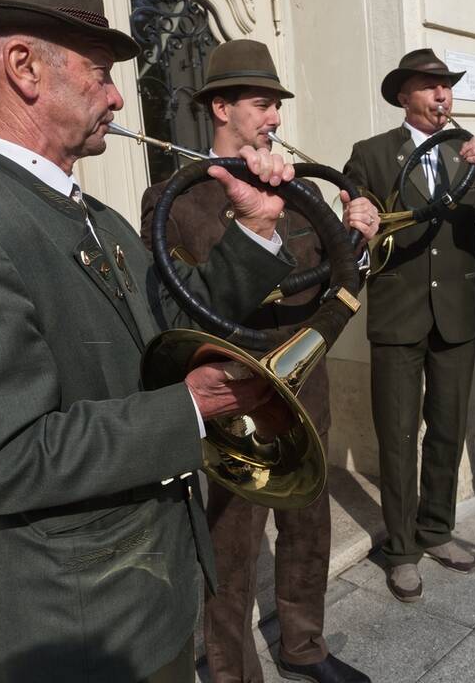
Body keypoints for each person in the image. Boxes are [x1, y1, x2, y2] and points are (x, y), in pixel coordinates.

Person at [0, 0, 300, 681]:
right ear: (24, 68)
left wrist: (255, 228)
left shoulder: (96, 217)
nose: (117, 96)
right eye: (102, 73)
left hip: (151, 603)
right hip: (82, 634)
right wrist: (190, 409)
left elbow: (172, 314)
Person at [140, 40, 376, 683]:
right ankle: (231, 671)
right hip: (233, 395)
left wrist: (358, 235)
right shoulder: (172, 199)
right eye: (260, 104)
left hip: (305, 383)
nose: (274, 117)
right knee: (231, 542)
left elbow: (335, 283)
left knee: (309, 523)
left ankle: (305, 646)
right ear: (221, 108)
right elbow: (176, 311)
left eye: (276, 105)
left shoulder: (300, 190)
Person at [342, 49, 475, 602]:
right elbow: (353, 230)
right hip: (398, 316)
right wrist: (357, 219)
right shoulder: (371, 153)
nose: (442, 94)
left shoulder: (466, 152)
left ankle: (437, 529)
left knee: (447, 428)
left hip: (456, 317)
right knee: (398, 437)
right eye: (428, 85)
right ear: (404, 96)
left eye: (446, 85)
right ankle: (401, 550)